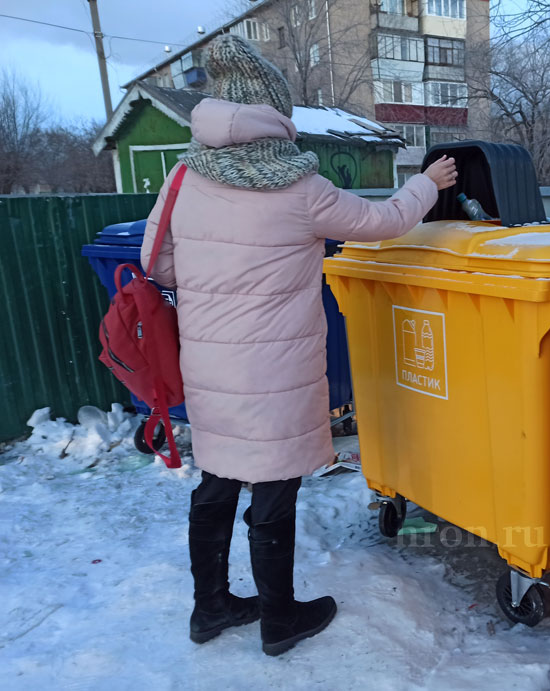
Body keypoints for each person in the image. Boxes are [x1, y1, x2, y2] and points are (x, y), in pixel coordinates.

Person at [140, 34, 457, 656]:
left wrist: (216, 282)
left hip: (209, 359)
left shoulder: (183, 174)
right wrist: (428, 184)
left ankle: (210, 609)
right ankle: (279, 619)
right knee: (273, 486)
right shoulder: (299, 189)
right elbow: (384, 224)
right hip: (274, 367)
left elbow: (159, 262)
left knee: (217, 483)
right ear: (276, 115)